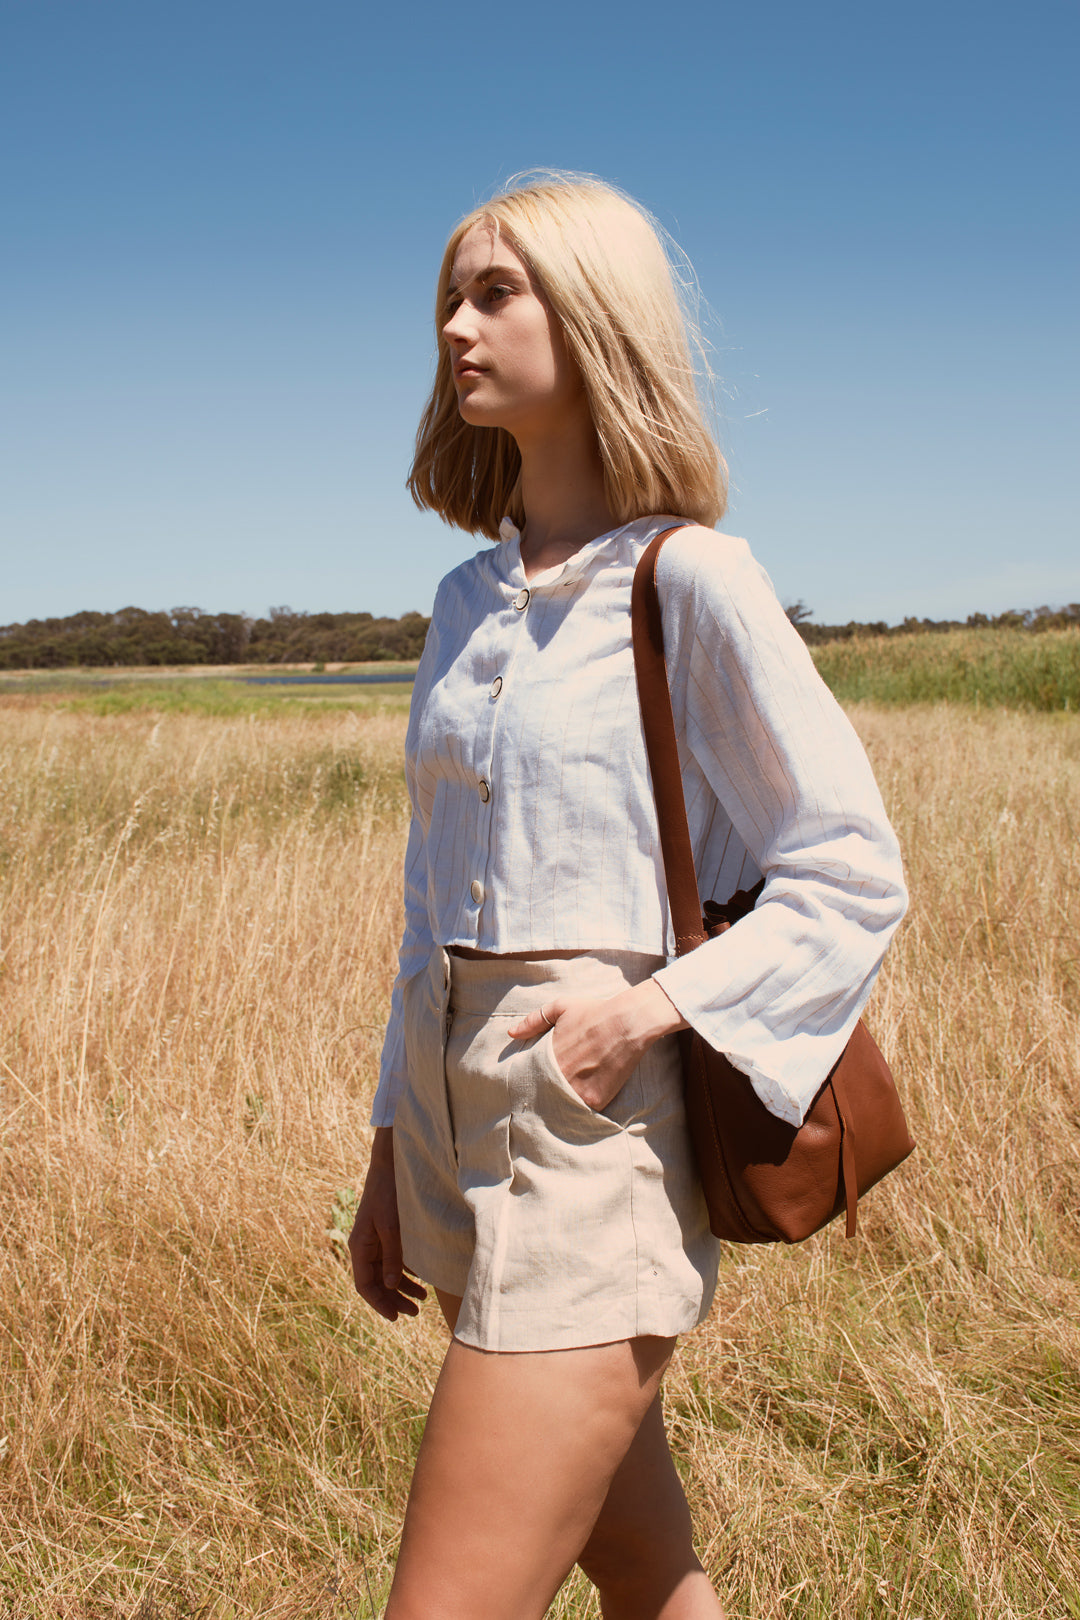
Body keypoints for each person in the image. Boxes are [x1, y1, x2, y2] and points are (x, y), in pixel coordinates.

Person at [349, 173, 907, 1619]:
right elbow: (429, 893)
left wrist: (641, 1013)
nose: (456, 329)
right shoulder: (464, 605)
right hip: (451, 1101)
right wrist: (391, 1138)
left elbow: (850, 866)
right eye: (447, 303)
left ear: (593, 317)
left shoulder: (690, 579)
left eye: (495, 293)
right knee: (654, 1572)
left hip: (589, 1131)